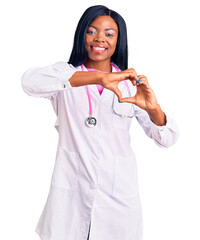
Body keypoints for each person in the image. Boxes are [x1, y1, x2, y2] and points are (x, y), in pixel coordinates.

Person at [21, 5, 179, 240]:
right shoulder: (65, 75)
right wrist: (100, 77)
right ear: (81, 34)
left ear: (118, 41)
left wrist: (153, 108)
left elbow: (167, 139)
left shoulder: (130, 84)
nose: (99, 39)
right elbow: (29, 82)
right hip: (70, 198)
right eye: (91, 31)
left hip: (118, 199)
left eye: (109, 34)